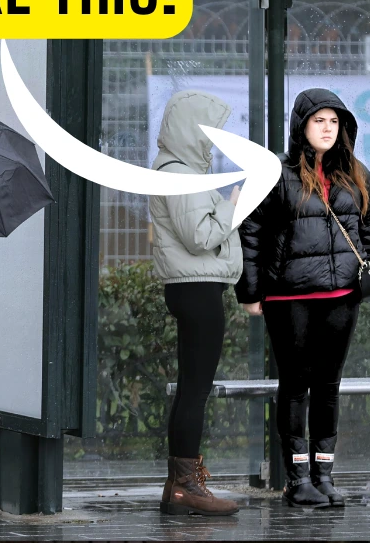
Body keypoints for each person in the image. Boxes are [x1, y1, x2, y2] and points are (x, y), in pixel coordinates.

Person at [235, 89, 370, 509]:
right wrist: (251, 291)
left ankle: (323, 474)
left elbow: (367, 230)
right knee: (296, 385)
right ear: (302, 126)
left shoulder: (358, 174)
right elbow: (251, 233)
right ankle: (296, 478)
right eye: (320, 121)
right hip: (290, 297)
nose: (328, 129)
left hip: (342, 297)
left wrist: (363, 272)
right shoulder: (277, 174)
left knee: (329, 386)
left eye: (334, 122)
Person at [148, 90, 243, 517]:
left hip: (193, 286)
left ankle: (178, 488)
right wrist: (232, 206)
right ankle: (187, 485)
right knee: (195, 392)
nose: (214, 142)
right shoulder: (180, 174)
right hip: (198, 287)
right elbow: (201, 236)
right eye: (209, 132)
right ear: (191, 130)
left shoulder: (177, 170)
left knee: (190, 390)